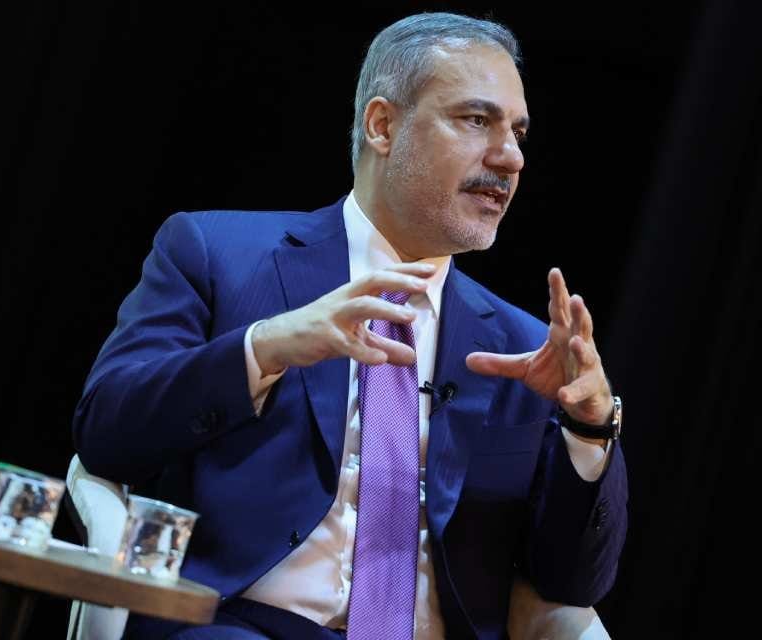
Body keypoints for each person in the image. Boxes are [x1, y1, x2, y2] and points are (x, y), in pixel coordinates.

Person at [72, 12, 626, 639]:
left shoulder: (524, 348)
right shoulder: (217, 256)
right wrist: (264, 349)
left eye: (518, 133)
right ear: (383, 125)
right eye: (477, 120)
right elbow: (106, 432)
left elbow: (572, 586)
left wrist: (589, 427)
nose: (511, 157)